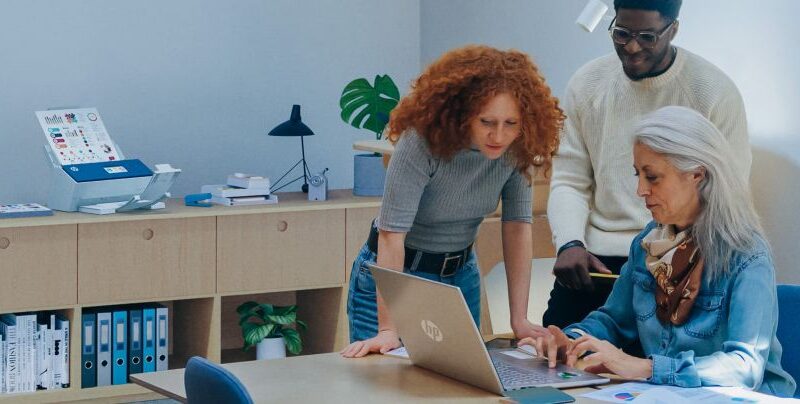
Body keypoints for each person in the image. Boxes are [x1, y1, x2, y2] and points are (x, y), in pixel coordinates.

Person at [521, 106, 795, 396]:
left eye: (652, 177)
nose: (640, 190)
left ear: (697, 175)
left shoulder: (746, 255)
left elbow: (745, 367)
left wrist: (646, 368)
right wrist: (570, 341)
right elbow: (613, 321)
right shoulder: (648, 243)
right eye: (637, 174)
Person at [340, 45, 565, 358]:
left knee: (461, 379)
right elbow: (392, 235)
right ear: (463, 113)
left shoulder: (517, 148)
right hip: (395, 277)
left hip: (459, 277)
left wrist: (519, 319)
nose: (499, 136)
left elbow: (517, 226)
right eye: (487, 122)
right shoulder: (421, 142)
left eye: (510, 123)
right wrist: (388, 329)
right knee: (385, 379)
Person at [543, 0, 752, 329]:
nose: (632, 47)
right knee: (550, 347)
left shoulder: (713, 91)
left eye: (647, 37)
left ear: (673, 30)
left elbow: (727, 191)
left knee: (648, 359)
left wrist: (689, 258)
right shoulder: (587, 83)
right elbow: (569, 180)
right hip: (597, 262)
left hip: (680, 257)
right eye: (622, 33)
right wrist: (569, 243)